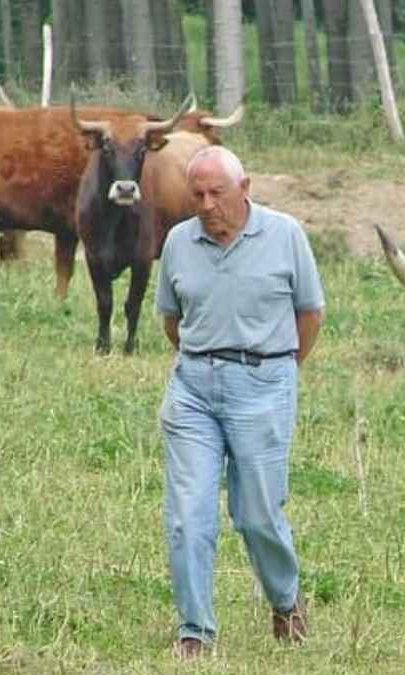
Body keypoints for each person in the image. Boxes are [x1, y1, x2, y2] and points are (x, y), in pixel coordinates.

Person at [155, 145, 325, 659]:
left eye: (217, 193)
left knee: (257, 515)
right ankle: (194, 631)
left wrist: (279, 373)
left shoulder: (285, 235)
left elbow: (310, 314)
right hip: (193, 390)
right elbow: (170, 319)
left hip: (265, 383)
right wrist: (204, 361)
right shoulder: (177, 243)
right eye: (198, 195)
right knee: (188, 515)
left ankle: (285, 598)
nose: (207, 205)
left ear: (245, 187)